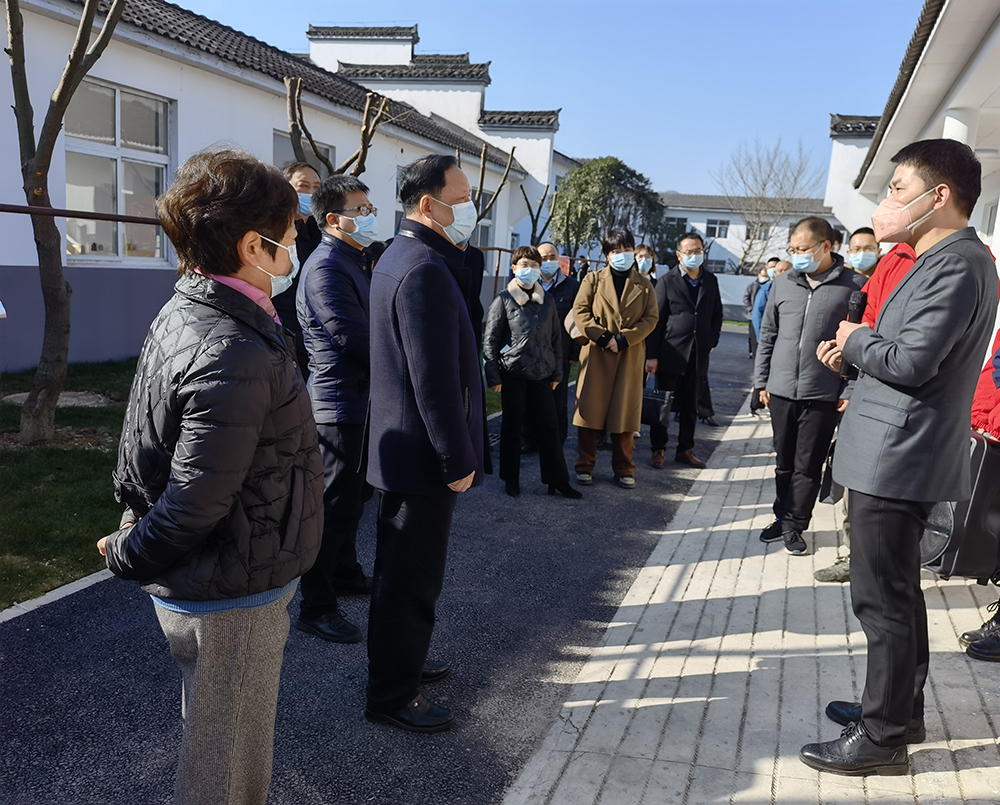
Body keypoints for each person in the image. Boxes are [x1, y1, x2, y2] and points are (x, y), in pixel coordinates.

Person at [97, 149, 323, 805]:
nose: (295, 248)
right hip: (230, 590)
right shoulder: (232, 345)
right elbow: (196, 499)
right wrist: (126, 551)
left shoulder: (198, 307)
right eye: (290, 234)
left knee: (216, 741)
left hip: (220, 574)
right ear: (254, 245)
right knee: (224, 765)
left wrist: (130, 535)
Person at [802, 139, 998, 776]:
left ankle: (882, 736)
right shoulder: (937, 258)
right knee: (897, 594)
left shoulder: (958, 263)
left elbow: (912, 361)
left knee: (880, 599)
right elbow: (904, 350)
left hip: (899, 451)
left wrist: (857, 340)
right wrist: (859, 351)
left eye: (896, 187)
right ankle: (898, 709)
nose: (886, 200)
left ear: (938, 196)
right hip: (892, 443)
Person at [365, 154, 485, 734]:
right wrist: (457, 458)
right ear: (426, 203)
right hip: (423, 457)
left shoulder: (402, 255)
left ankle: (402, 664)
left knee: (399, 573)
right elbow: (433, 379)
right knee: (411, 580)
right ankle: (393, 694)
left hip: (402, 449)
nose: (469, 209)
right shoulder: (424, 269)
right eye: (460, 199)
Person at [294, 174, 378, 645]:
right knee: (331, 507)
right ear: (333, 219)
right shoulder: (326, 266)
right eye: (360, 210)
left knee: (353, 502)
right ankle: (316, 605)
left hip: (360, 401)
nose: (369, 217)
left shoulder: (355, 259)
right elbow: (353, 338)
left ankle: (344, 573)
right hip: (337, 404)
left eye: (369, 208)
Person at [754, 217, 864, 556]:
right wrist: (761, 381)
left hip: (823, 392)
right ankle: (781, 514)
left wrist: (847, 390)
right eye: (793, 249)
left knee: (808, 464)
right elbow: (768, 334)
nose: (797, 254)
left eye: (803, 249)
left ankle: (794, 525)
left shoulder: (854, 285)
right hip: (782, 389)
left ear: (826, 246)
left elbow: (860, 344)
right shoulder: (783, 283)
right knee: (784, 461)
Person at [812, 240, 917, 584]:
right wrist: (845, 361)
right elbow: (860, 334)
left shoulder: (945, 265)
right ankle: (854, 557)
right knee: (853, 489)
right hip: (864, 395)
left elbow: (908, 357)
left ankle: (886, 567)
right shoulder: (889, 267)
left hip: (904, 414)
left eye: (899, 189)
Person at [484, 246, 580, 499]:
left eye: (534, 265)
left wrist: (558, 373)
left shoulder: (546, 301)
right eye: (524, 265)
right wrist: (493, 375)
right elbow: (491, 340)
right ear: (514, 268)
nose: (529, 270)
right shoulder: (503, 299)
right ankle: (511, 479)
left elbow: (556, 339)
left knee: (550, 428)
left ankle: (558, 481)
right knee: (512, 428)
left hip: (542, 374)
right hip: (513, 374)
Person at [572, 227, 658, 487]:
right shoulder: (593, 279)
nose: (622, 255)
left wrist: (624, 339)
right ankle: (584, 465)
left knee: (625, 415)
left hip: (629, 356)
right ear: (607, 255)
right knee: (589, 412)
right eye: (616, 251)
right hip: (597, 354)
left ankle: (624, 469)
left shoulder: (644, 285)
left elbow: (651, 318)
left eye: (626, 250)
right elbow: (580, 310)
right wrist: (601, 336)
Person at [644, 231, 723, 470]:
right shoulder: (667, 281)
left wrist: (711, 341)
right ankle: (658, 449)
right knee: (664, 403)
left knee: (691, 405)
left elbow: (716, 313)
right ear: (679, 255)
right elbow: (656, 320)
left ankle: (685, 449)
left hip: (698, 354)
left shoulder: (710, 280)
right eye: (688, 252)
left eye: (697, 251)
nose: (693, 255)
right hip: (671, 353)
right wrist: (652, 355)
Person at [275, 162, 323, 379]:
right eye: (303, 186)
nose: (311, 193)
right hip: (286, 336)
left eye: (317, 187)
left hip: (316, 337)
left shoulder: (320, 229)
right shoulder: (275, 232)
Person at [539, 241, 581, 444]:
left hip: (560, 353)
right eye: (543, 258)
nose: (548, 261)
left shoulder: (573, 286)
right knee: (533, 398)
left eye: (552, 257)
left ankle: (556, 440)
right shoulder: (529, 284)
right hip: (533, 354)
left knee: (558, 399)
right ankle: (531, 438)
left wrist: (574, 353)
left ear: (559, 259)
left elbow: (578, 321)